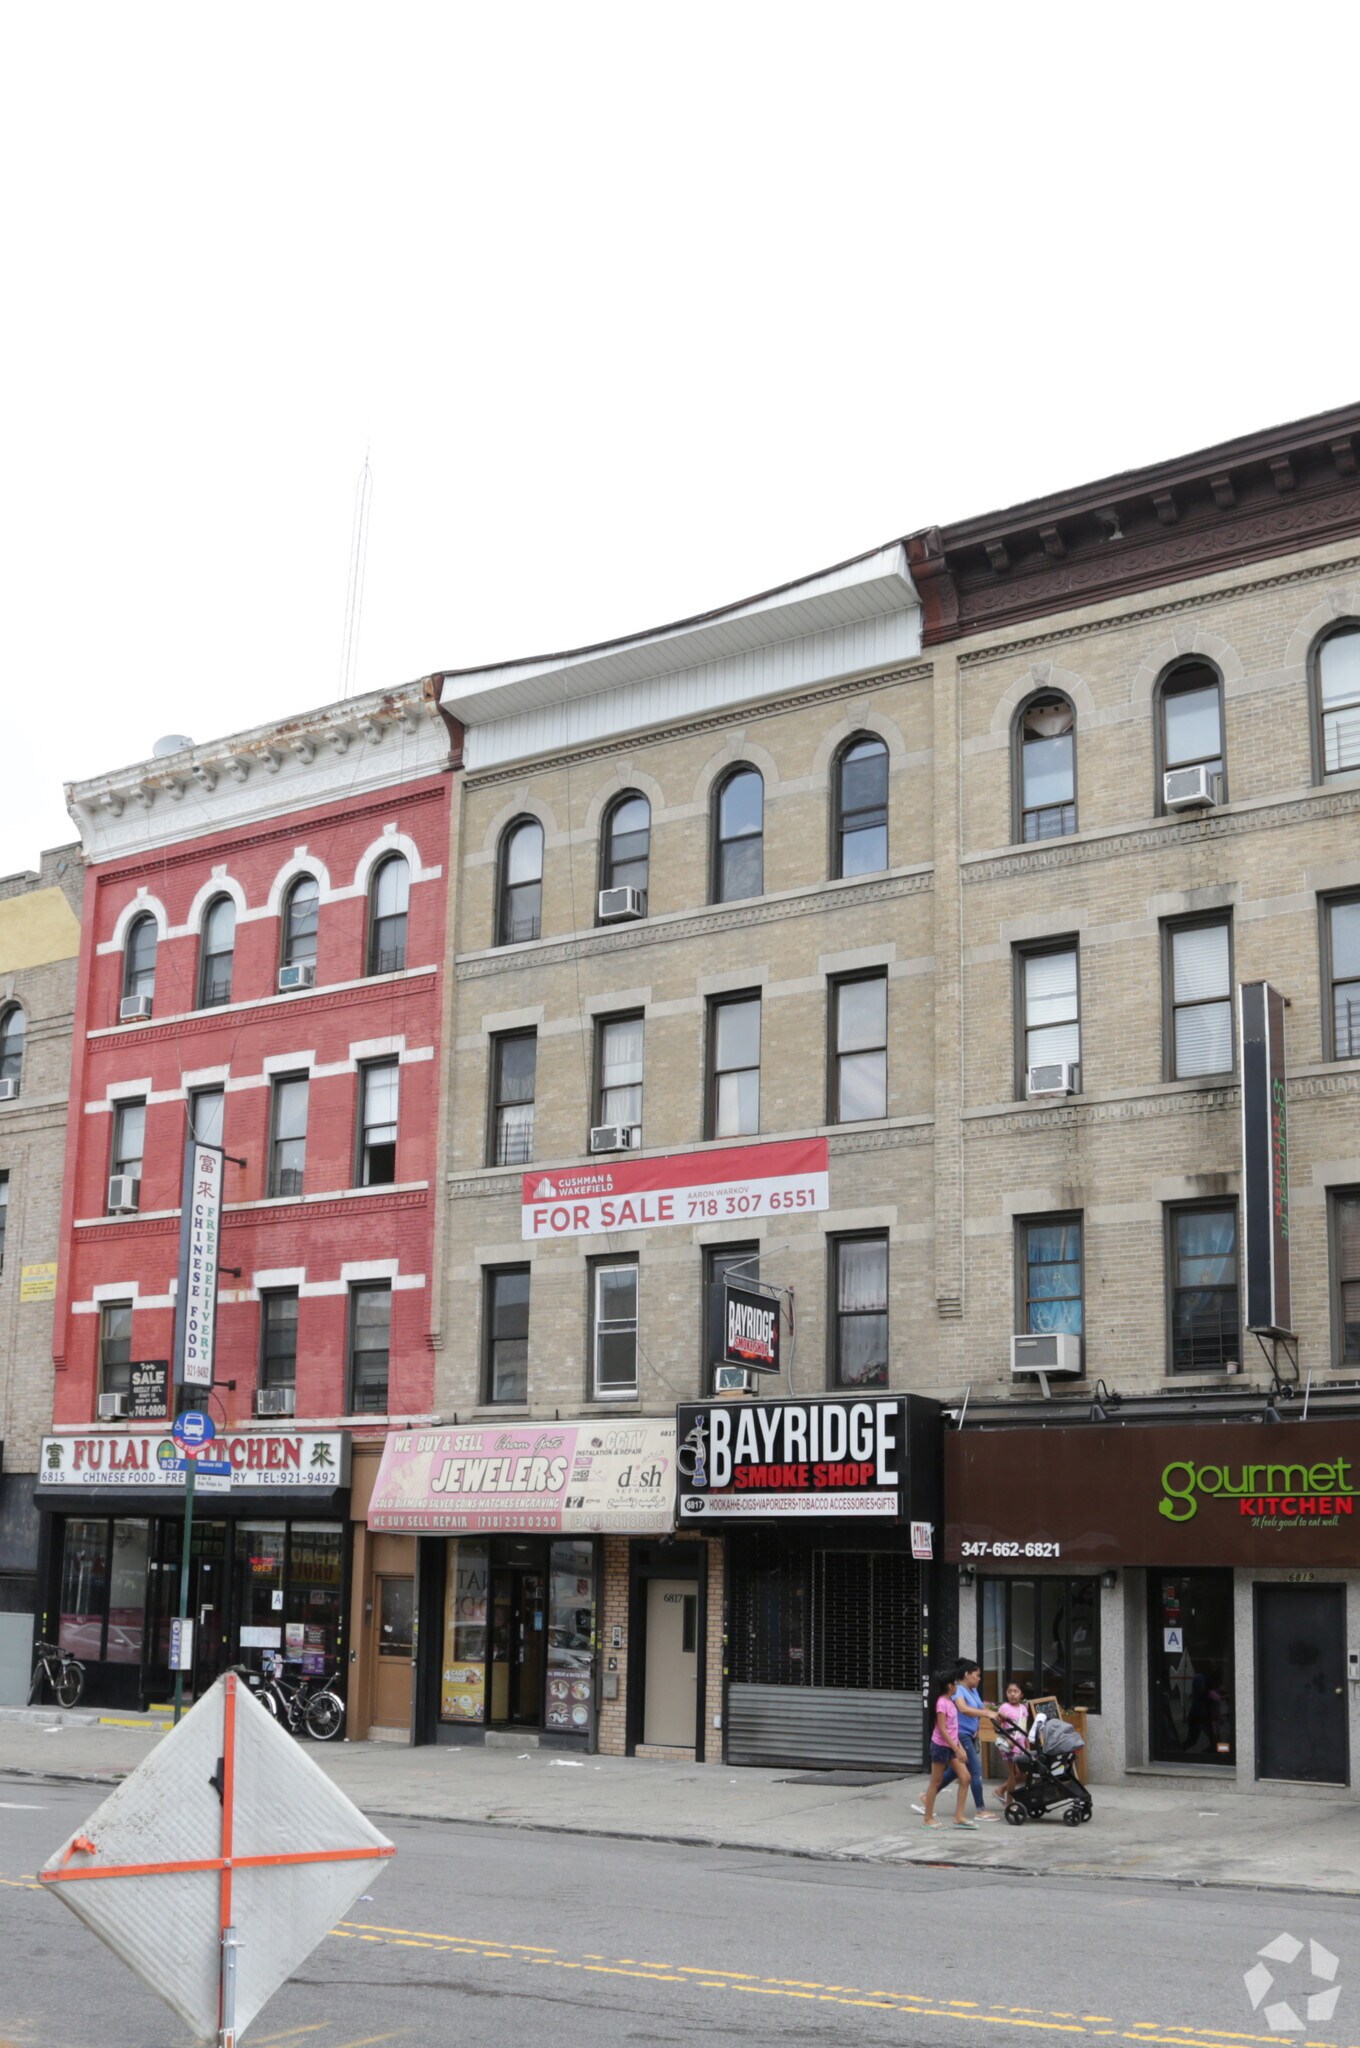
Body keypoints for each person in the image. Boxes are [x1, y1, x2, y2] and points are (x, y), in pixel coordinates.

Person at [920, 1669, 977, 1829]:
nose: (957, 1686)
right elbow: (943, 1730)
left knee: (965, 1777)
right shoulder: (941, 1703)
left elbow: (953, 1729)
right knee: (936, 1782)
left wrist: (960, 1748)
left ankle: (959, 1816)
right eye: (955, 1683)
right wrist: (957, 1750)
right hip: (940, 1747)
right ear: (949, 1686)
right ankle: (928, 1818)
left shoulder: (950, 1702)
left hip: (952, 1745)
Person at [953, 1662, 1000, 1821]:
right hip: (962, 1735)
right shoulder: (958, 1690)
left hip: (971, 1735)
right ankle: (980, 1810)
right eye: (977, 1675)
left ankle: (927, 1796)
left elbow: (981, 1708)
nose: (979, 1679)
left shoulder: (972, 1690)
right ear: (967, 1674)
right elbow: (963, 1709)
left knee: (954, 1771)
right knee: (976, 1771)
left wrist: (996, 1713)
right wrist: (987, 1714)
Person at [993, 1680, 1031, 1808]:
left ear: (1021, 1694)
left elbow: (1024, 1729)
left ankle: (1000, 1790)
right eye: (1009, 1691)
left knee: (1021, 1775)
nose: (1012, 1694)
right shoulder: (1004, 1708)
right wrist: (1002, 1722)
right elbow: (996, 1728)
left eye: (1016, 1691)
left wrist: (1027, 1746)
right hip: (1009, 1746)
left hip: (1020, 1746)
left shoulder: (1024, 1708)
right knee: (1013, 1775)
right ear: (1006, 1694)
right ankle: (1009, 1802)